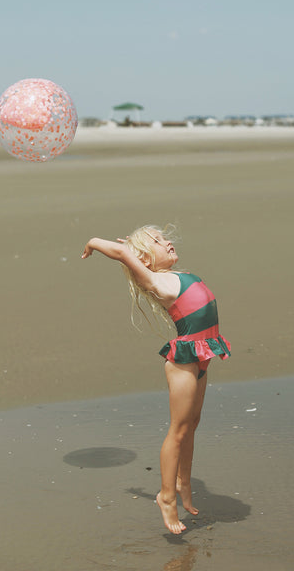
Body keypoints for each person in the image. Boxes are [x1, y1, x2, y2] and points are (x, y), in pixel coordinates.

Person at [81, 225, 231, 534]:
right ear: (146, 261)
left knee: (193, 423)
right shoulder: (156, 282)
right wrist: (95, 242)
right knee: (178, 430)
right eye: (159, 242)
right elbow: (123, 253)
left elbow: (131, 252)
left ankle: (183, 483)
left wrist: (142, 249)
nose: (169, 242)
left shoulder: (176, 276)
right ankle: (166, 497)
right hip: (184, 361)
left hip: (202, 352)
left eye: (165, 238)